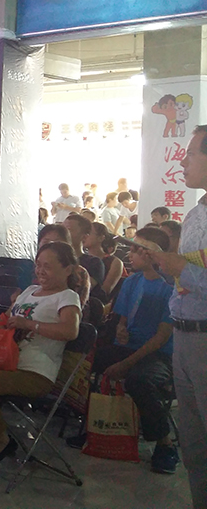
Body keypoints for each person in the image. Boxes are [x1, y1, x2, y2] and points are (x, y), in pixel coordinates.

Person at [69, 227, 179, 473]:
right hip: (127, 347)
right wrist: (120, 329)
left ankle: (165, 444)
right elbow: (122, 319)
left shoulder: (170, 287)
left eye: (136, 249)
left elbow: (162, 337)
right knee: (86, 363)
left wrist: (126, 364)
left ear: (152, 253)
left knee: (141, 380)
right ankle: (93, 427)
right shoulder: (132, 281)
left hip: (157, 355)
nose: (130, 254)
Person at [0, 242, 81, 464]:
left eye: (48, 266)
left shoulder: (67, 297)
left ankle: (0, 439)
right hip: (6, 360)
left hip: (35, 371)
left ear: (68, 269)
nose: (40, 271)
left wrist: (30, 325)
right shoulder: (30, 291)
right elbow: (8, 320)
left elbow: (70, 331)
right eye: (38, 265)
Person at [149, 124, 207, 507]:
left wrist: (180, 268)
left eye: (191, 154)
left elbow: (188, 272)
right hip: (184, 338)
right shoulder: (195, 214)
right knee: (194, 445)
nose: (183, 162)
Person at [63, 214, 105, 291]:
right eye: (63, 229)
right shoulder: (52, 258)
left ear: (84, 237)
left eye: (69, 230)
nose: (63, 233)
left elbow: (82, 288)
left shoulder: (94, 263)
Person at [87, 221, 124, 299]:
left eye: (88, 233)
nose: (85, 236)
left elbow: (105, 291)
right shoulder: (80, 257)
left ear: (101, 238)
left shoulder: (114, 262)